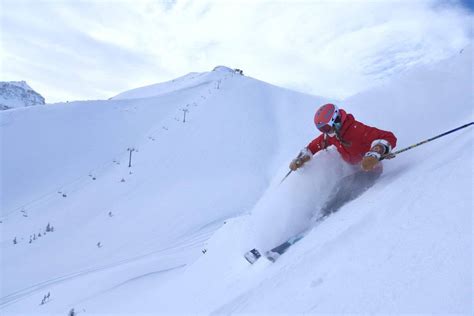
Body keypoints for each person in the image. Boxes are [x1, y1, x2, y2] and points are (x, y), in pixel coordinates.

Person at [289, 103, 397, 217]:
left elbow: (389, 137)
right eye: (322, 129)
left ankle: (327, 217)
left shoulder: (357, 130)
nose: (325, 132)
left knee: (343, 187)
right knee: (337, 186)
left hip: (370, 169)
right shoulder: (333, 135)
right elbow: (315, 145)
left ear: (336, 120)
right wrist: (300, 158)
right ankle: (320, 213)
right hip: (352, 169)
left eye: (326, 128)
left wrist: (375, 153)